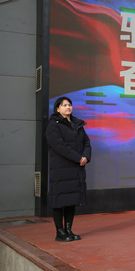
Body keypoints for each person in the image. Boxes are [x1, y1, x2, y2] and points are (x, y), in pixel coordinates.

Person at [45, 96, 91, 242]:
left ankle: (69, 230)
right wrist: (78, 158)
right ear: (57, 109)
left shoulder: (77, 124)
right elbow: (59, 146)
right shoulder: (53, 125)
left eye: (69, 105)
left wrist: (85, 157)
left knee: (72, 199)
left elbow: (86, 142)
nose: (68, 107)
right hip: (61, 169)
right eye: (64, 105)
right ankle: (60, 233)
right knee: (59, 201)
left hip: (75, 169)